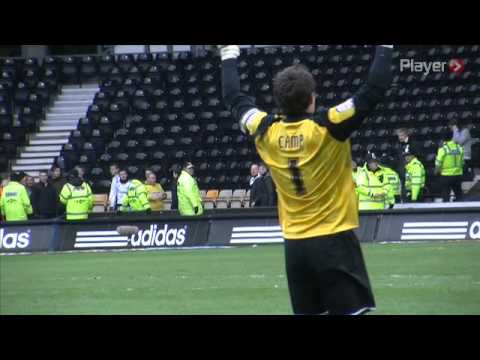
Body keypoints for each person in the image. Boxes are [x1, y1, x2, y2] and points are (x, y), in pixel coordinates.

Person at [219, 44, 393, 315]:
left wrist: (228, 53)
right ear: (312, 98)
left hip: (295, 247)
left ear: (278, 100)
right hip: (334, 240)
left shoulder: (265, 129)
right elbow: (374, 88)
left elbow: (233, 97)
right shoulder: (328, 126)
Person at [435, 133, 464, 202]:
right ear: (451, 138)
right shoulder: (459, 148)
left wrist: (438, 172)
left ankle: (446, 211)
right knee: (459, 194)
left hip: (446, 175)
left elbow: (438, 163)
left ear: (443, 139)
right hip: (458, 174)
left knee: (445, 194)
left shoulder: (443, 149)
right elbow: (462, 162)